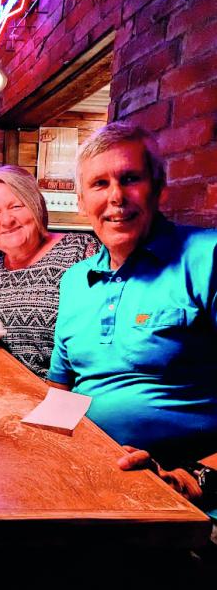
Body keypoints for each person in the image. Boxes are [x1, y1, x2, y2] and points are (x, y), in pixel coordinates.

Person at [48, 122, 217, 504]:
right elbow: (60, 391)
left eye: (130, 178)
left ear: (158, 189)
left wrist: (191, 480)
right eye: (99, 184)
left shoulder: (207, 258)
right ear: (81, 201)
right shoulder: (75, 280)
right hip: (85, 478)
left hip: (182, 496)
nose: (116, 197)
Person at [0, 165, 99, 377]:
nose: (6, 220)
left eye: (16, 206)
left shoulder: (81, 251)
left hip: (59, 394)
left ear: (35, 205)